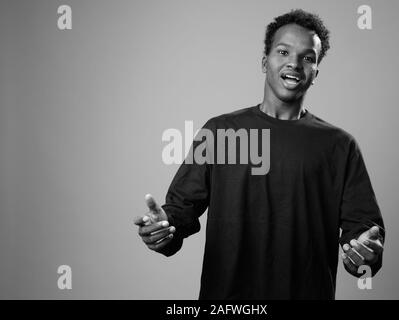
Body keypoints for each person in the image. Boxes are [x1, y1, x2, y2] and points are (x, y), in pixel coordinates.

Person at [134, 9, 385, 299]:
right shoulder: (220, 132)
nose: (294, 63)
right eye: (283, 51)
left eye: (307, 57)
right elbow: (180, 213)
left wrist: (363, 254)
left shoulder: (340, 146)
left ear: (315, 73)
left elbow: (363, 236)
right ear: (265, 62)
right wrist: (162, 229)